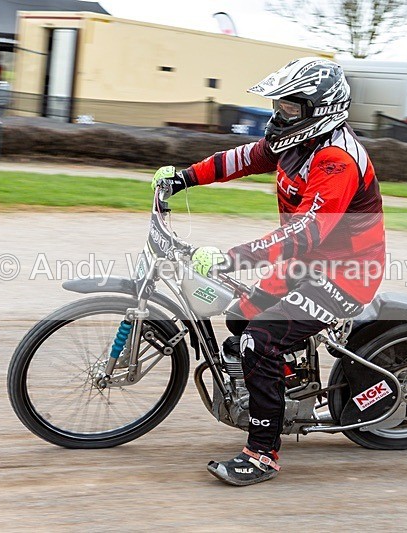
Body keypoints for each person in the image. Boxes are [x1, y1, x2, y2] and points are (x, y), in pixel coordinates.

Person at [151, 57, 386, 486]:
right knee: (239, 316)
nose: (280, 116)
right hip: (303, 265)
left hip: (344, 273)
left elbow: (306, 232)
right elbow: (241, 158)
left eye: (290, 108)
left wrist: (231, 257)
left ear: (320, 109)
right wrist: (184, 178)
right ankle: (290, 391)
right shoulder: (295, 142)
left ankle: (262, 453)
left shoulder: (337, 161)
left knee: (259, 342)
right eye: (278, 105)